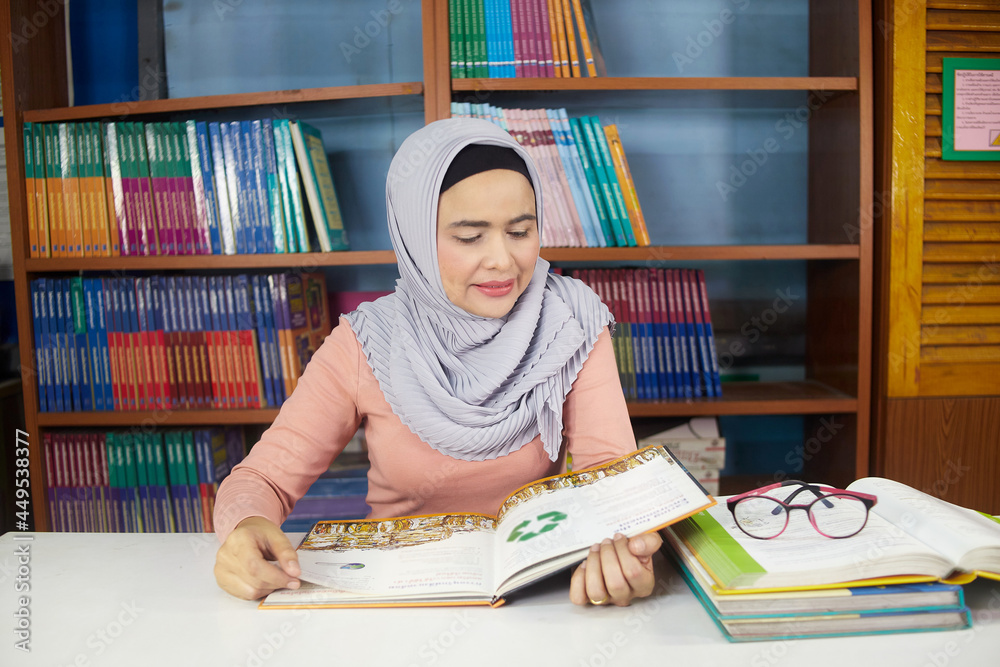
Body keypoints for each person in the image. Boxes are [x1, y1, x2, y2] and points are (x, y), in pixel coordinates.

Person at [213, 117, 662, 606]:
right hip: (393, 601)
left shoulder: (569, 321)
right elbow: (263, 479)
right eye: (470, 237)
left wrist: (622, 553)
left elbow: (613, 480)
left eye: (520, 231)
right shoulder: (368, 341)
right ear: (415, 239)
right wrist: (246, 526)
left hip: (536, 594)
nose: (502, 261)